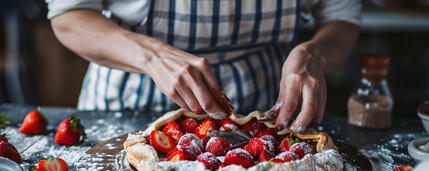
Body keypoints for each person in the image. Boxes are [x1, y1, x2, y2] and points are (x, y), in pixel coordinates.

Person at [46, 0, 360, 132]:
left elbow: (341, 19)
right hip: (131, 101)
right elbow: (70, 16)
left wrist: (315, 54)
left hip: (269, 108)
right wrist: (152, 56)